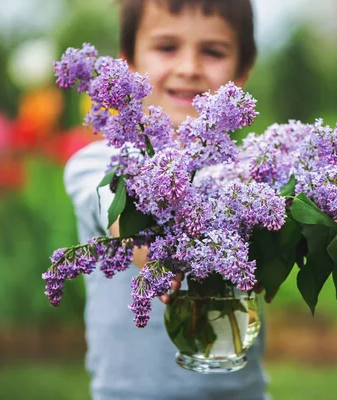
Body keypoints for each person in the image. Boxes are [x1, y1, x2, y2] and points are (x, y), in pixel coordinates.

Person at [64, 1, 270, 399]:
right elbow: (121, 218)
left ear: (242, 71)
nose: (189, 68)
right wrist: (158, 257)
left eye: (213, 51)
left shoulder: (248, 174)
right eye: (167, 47)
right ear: (127, 67)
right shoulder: (97, 163)